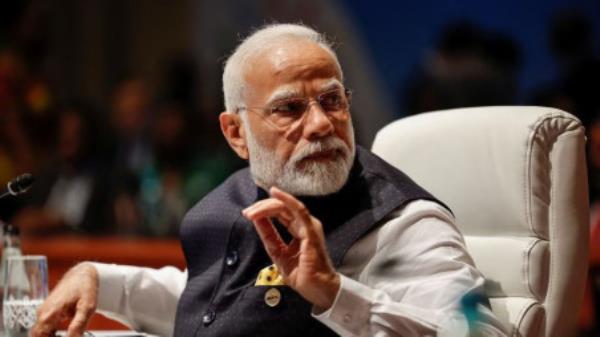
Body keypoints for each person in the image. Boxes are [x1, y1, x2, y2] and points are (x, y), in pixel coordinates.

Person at [32, 24, 508, 337]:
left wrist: (335, 294)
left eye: (332, 100)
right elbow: (216, 304)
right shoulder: (241, 197)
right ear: (236, 132)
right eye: (290, 108)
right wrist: (98, 277)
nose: (322, 124)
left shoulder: (405, 223)